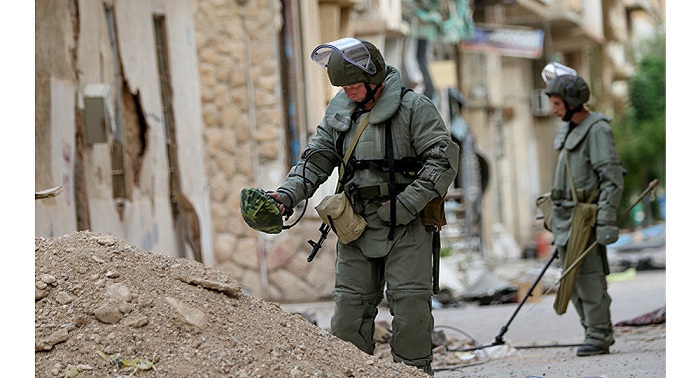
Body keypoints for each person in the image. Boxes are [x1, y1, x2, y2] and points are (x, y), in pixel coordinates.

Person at [268, 37, 459, 375]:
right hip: (356, 224)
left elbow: (442, 161)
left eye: (355, 85)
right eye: (344, 87)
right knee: (348, 314)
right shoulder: (340, 113)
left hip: (408, 224)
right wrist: (286, 196)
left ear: (375, 80)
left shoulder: (415, 108)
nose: (349, 92)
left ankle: (413, 372)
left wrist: (408, 203)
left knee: (411, 307)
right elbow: (314, 162)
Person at [544, 70, 625, 357]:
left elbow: (612, 179)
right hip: (565, 217)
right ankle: (590, 330)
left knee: (589, 277)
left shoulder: (597, 129)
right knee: (572, 279)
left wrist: (605, 219)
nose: (553, 110)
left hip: (586, 217)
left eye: (557, 103)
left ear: (573, 102)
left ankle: (600, 334)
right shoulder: (568, 129)